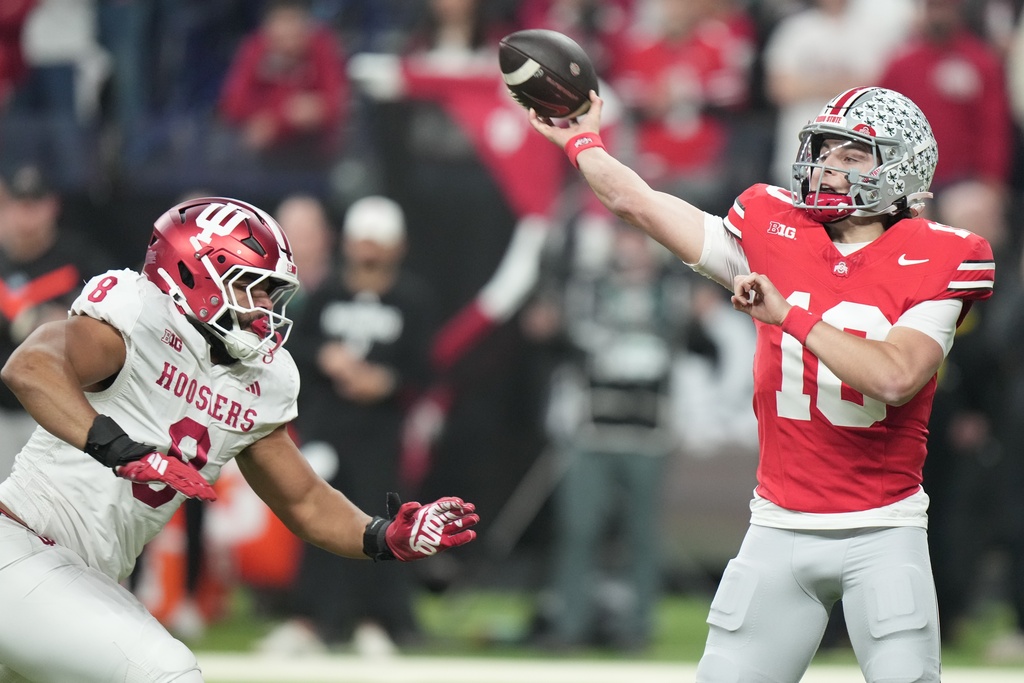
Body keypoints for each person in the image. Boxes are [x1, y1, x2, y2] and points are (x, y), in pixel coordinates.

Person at [527, 85, 994, 681]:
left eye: (851, 155)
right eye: (823, 150)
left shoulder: (944, 254)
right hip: (777, 526)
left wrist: (790, 315)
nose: (828, 165)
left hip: (883, 529)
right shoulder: (773, 227)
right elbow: (637, 202)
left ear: (902, 167)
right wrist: (581, 141)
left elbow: (896, 377)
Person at [0, 195, 478, 682]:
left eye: (273, 292)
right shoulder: (136, 318)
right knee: (168, 672)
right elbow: (31, 367)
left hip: (83, 574)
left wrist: (381, 536)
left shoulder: (256, 380)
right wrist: (120, 449)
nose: (268, 307)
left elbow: (306, 500)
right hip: (22, 545)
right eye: (253, 287)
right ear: (194, 275)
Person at [261, 194, 438, 655]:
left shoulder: (411, 299)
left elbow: (425, 368)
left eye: (379, 243)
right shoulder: (327, 295)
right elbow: (293, 350)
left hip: (382, 434)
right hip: (329, 429)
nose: (369, 252)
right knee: (317, 517)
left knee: (382, 520)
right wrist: (327, 357)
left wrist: (387, 381)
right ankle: (311, 619)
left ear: (397, 246)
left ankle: (376, 620)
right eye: (364, 242)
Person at [0, 164, 115, 482]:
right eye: (19, 205)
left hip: (63, 412)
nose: (27, 215)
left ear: (53, 206)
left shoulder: (80, 257)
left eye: (35, 204)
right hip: (4, 412)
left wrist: (67, 322)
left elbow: (117, 318)